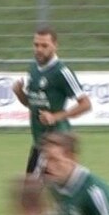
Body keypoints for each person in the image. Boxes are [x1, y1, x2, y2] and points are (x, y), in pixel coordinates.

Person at [12, 27, 92, 175]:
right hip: (39, 142)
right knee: (39, 192)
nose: (39, 49)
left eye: (44, 45)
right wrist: (19, 93)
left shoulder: (62, 72)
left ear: (55, 46)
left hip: (56, 142)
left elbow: (85, 104)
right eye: (36, 45)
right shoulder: (33, 69)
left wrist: (55, 117)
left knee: (31, 192)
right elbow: (33, 105)